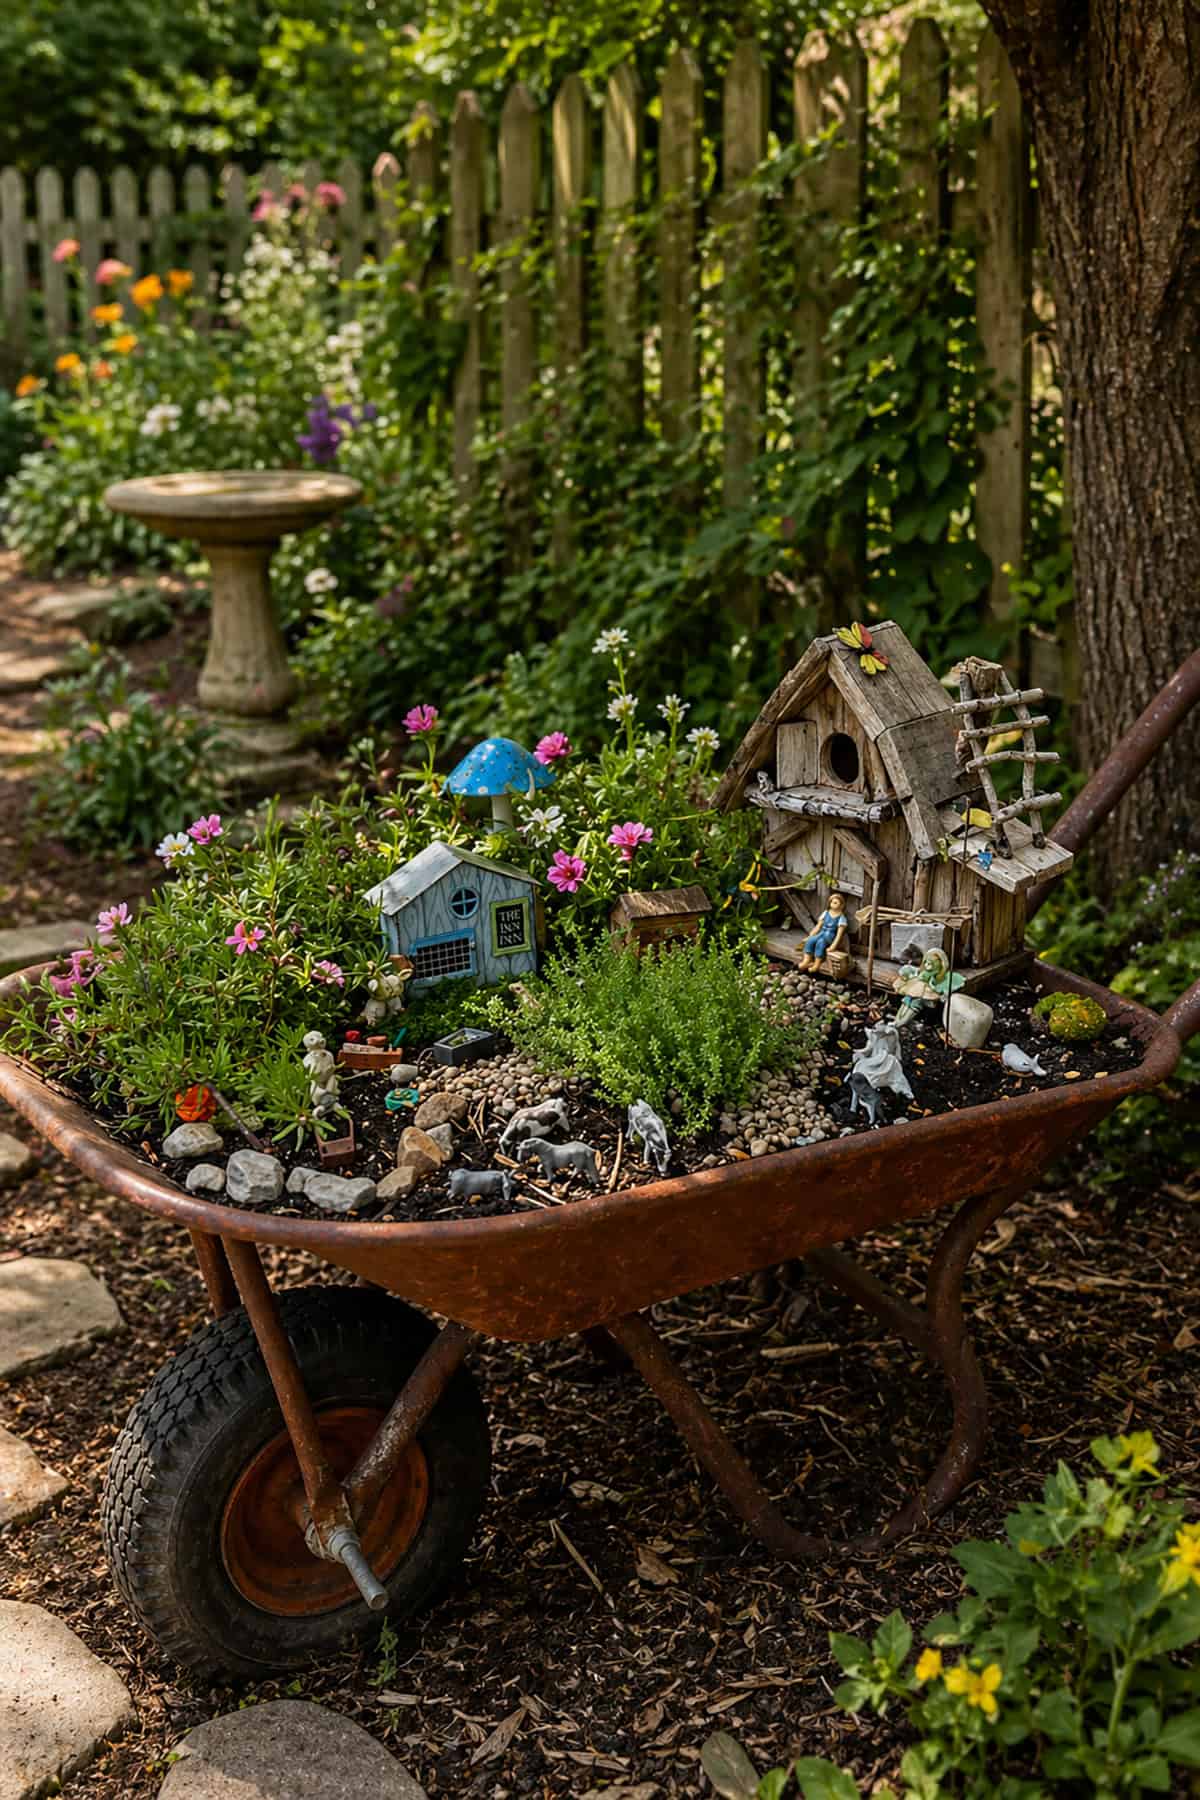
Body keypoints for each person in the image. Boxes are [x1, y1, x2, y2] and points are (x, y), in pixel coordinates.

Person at [797, 891, 848, 973]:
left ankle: (817, 964)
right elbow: (818, 926)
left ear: (842, 905)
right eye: (832, 902)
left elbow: (839, 934)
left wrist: (833, 946)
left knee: (820, 943)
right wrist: (810, 935)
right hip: (822, 933)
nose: (833, 904)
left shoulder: (841, 918)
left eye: (836, 903)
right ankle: (807, 960)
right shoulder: (826, 913)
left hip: (830, 936)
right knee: (811, 940)